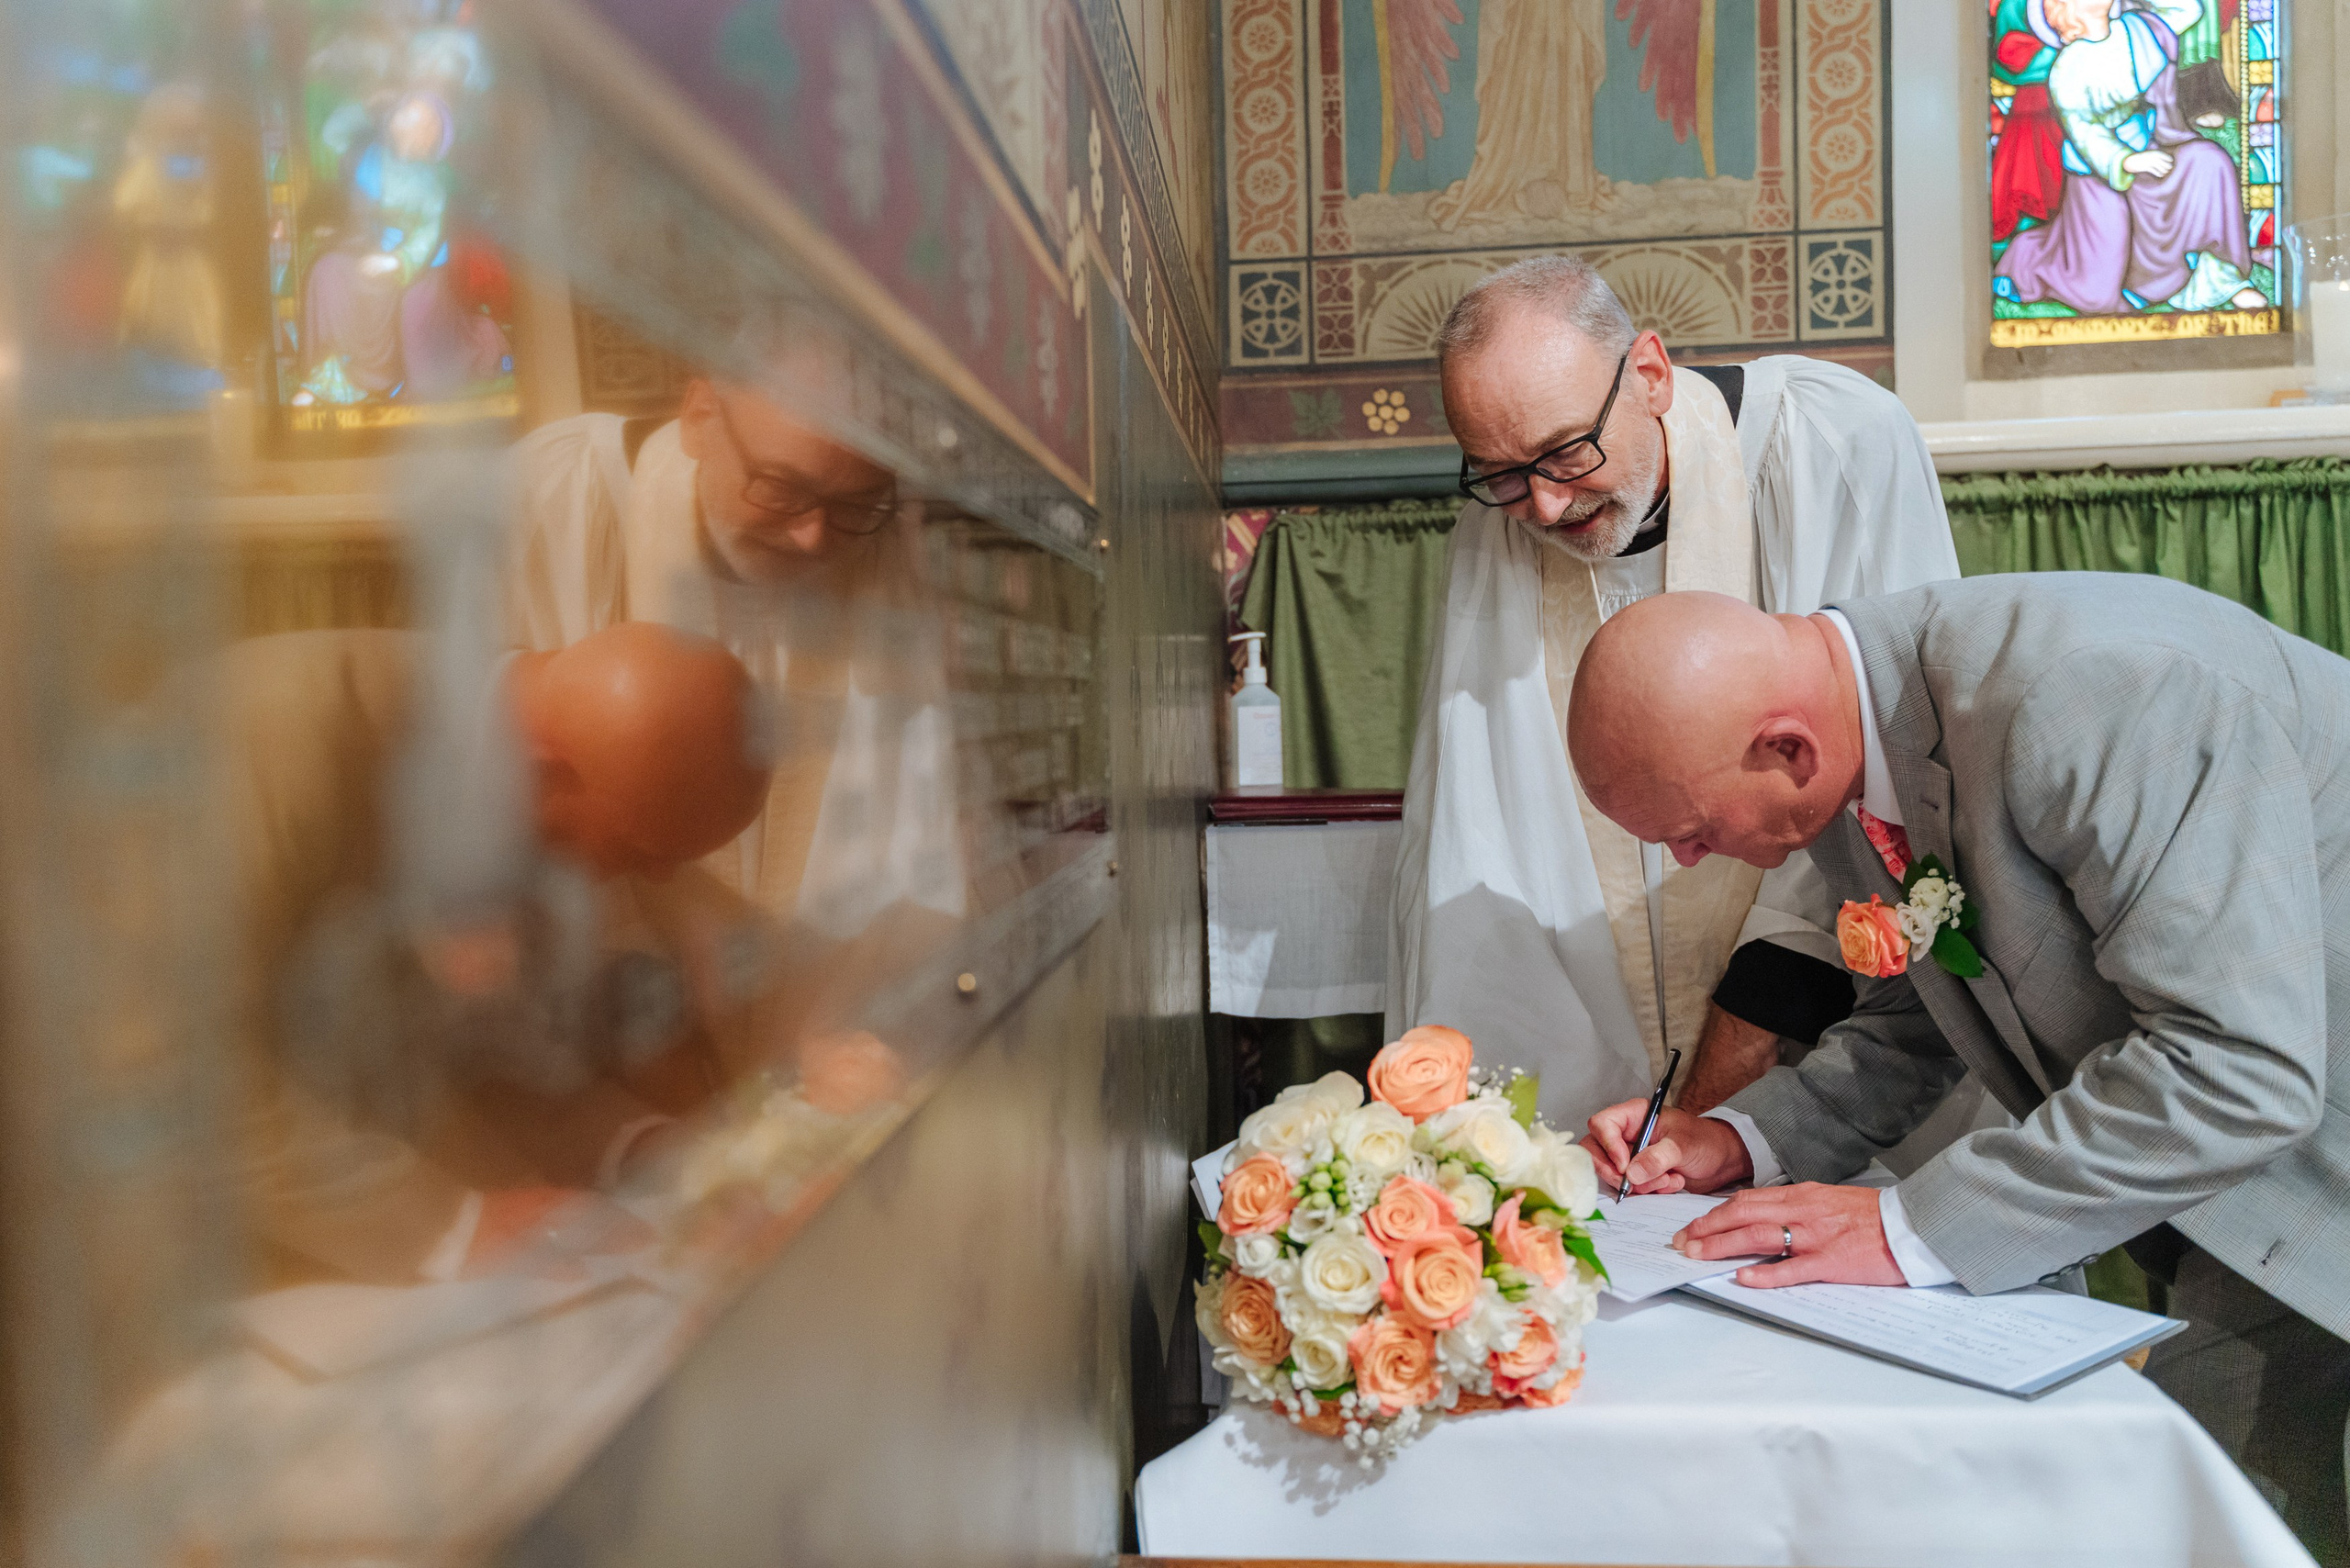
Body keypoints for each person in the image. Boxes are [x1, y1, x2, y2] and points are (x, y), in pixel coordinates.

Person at [1567, 578, 2350, 1559]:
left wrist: (1907, 1224)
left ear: (1784, 748)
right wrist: (1738, 1137)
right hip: (2234, 1158)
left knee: (2207, 1518)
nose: (1688, 859)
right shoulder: (1862, 735)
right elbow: (1928, 1005)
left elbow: (2239, 1066)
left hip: (2307, 1145)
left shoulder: (2088, 693)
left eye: (1691, 828)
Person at [1388, 254, 1961, 1128]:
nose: (1543, 507)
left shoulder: (1831, 438)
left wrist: (1732, 1071)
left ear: (1650, 374)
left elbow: (1883, 761)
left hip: (1840, 1044)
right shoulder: (1498, 525)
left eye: (1566, 453)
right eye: (1500, 474)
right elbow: (1485, 834)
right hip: (1614, 1057)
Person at [229, 622, 770, 1285]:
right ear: (549, 769)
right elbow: (165, 1064)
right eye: (637, 852)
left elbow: (495, 1057)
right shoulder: (278, 734)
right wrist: (449, 1229)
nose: (653, 881)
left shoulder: (522, 797)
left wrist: (642, 1150)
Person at [1992, 0, 2262, 317]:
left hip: (2155, 148)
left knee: (2209, 162)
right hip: (2098, 174)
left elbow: (2189, 10)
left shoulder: (2140, 30)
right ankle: (2033, 264)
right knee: (2098, 293)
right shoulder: (2068, 68)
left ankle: (2218, 280)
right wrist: (2125, 161)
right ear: (2066, 11)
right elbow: (2084, 130)